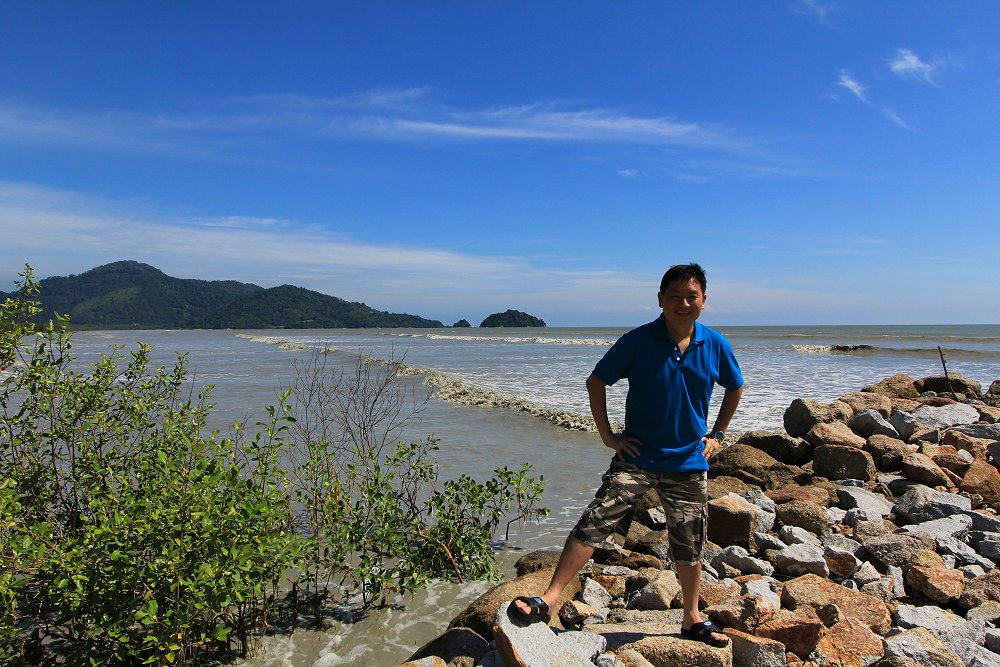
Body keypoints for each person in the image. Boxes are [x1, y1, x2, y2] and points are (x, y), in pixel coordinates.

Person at [511, 263, 744, 649]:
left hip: (688, 461)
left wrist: (717, 434)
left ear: (704, 301)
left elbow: (735, 387)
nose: (683, 304)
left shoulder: (714, 344)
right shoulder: (638, 340)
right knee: (594, 521)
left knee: (689, 541)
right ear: (660, 300)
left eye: (692, 297)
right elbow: (596, 381)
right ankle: (550, 599)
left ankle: (691, 617)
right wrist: (608, 436)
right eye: (675, 297)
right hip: (637, 457)